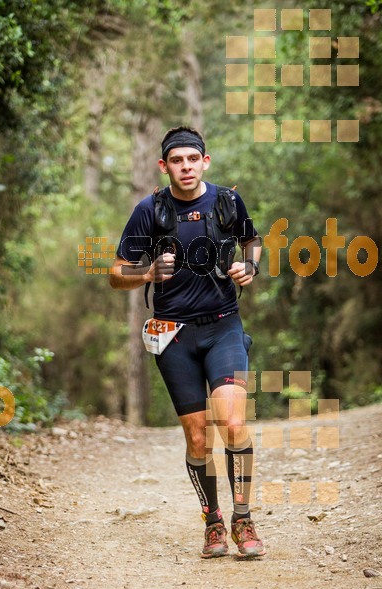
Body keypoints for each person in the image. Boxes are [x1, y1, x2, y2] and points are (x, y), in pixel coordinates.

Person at [109, 126, 265, 560]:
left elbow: (253, 242)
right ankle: (213, 521)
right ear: (164, 166)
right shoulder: (149, 211)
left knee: (233, 424)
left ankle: (243, 518)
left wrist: (248, 268)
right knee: (198, 439)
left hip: (224, 326)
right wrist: (147, 273)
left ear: (205, 162)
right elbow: (115, 273)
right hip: (173, 334)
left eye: (192, 159)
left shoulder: (227, 202)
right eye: (176, 161)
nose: (185, 167)